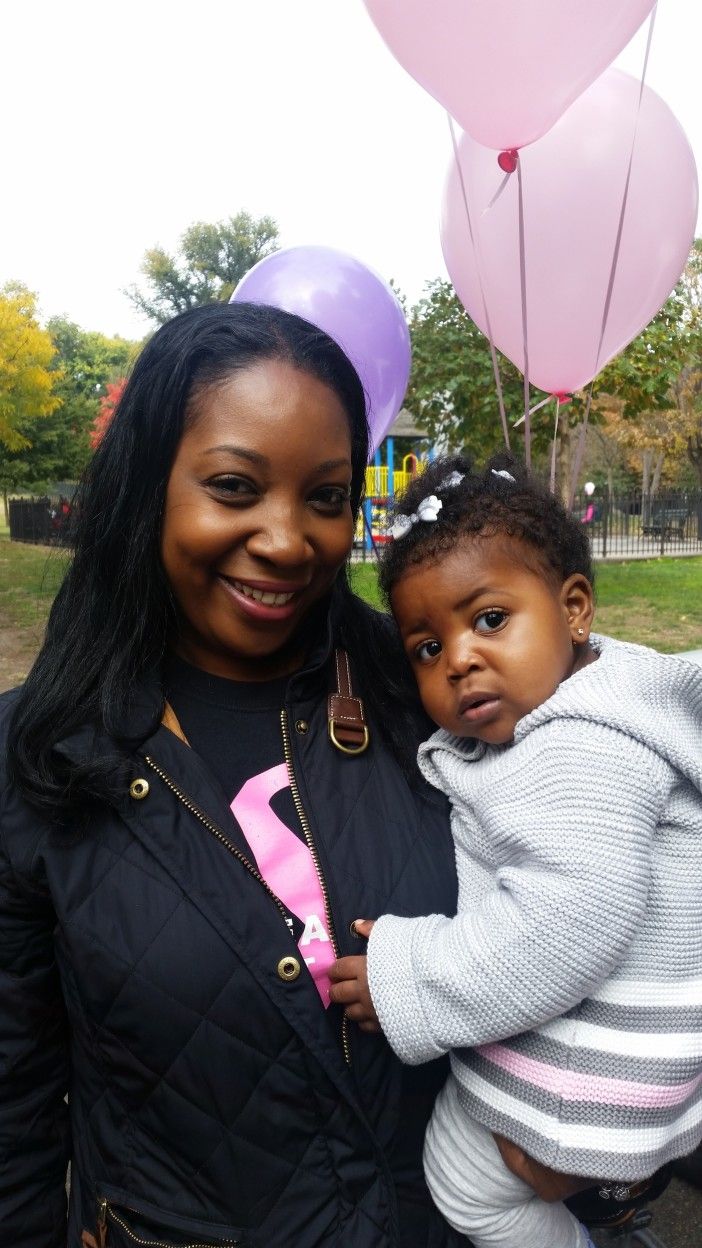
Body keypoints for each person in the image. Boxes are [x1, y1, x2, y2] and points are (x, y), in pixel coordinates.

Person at [329, 453, 702, 1248]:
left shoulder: (577, 747)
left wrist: (409, 974)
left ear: (574, 609)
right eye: (426, 647)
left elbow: (566, 923)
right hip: (634, 1066)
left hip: (596, 1072)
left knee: (466, 1182)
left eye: (489, 619)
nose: (458, 657)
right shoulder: (604, 694)